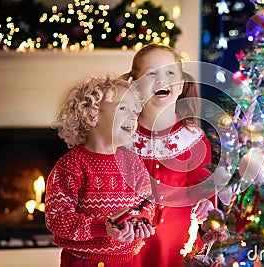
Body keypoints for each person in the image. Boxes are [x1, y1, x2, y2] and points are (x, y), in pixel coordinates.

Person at [45, 75, 155, 267]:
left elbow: (147, 201)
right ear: (91, 116)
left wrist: (142, 221)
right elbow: (57, 219)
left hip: (127, 260)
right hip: (84, 262)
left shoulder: (133, 163)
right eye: (123, 108)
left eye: (135, 112)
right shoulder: (71, 166)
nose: (132, 117)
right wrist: (102, 228)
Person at [121, 43, 215, 267]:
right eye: (151, 74)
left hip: (177, 244)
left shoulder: (193, 138)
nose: (161, 80)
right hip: (129, 245)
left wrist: (206, 204)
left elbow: (203, 188)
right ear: (135, 85)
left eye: (170, 73)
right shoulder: (121, 138)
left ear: (181, 84)